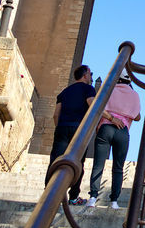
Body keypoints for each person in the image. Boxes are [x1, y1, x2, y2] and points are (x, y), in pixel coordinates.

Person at [88, 74, 140, 209]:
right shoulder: (134, 95)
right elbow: (138, 116)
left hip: (106, 127)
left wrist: (112, 116)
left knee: (98, 165)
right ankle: (114, 201)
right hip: (122, 131)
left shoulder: (108, 90)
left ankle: (93, 197)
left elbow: (98, 106)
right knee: (118, 168)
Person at [47, 64, 96, 205]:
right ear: (85, 75)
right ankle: (73, 197)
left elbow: (56, 114)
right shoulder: (88, 89)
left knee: (55, 160)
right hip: (79, 130)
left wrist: (60, 128)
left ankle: (48, 193)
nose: (91, 77)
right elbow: (92, 105)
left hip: (62, 128)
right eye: (90, 74)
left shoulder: (64, 92)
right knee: (77, 163)